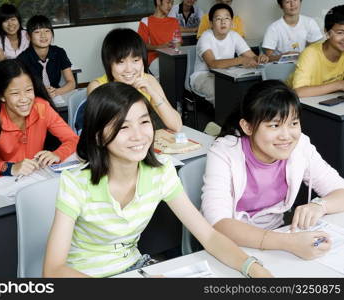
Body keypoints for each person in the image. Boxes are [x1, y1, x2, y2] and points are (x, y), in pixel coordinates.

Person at [43, 81, 272, 278]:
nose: (139, 135)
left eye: (144, 122)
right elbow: (53, 270)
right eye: (123, 126)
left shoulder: (161, 172)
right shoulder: (75, 183)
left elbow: (209, 236)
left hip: (134, 269)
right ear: (99, 136)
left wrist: (252, 267)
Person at [201, 80, 344, 260]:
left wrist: (320, 206)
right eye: (274, 125)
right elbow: (218, 223)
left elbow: (340, 191)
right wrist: (288, 242)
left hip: (276, 241)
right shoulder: (224, 152)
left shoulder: (300, 146)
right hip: (230, 246)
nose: (286, 136)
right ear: (248, 127)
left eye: (293, 123)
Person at [0, 59, 79, 177]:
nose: (24, 99)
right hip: (0, 181)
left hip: (33, 177)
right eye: (15, 93)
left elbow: (73, 140)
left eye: (28, 90)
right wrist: (9, 168)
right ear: (1, 96)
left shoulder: (42, 108)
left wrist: (58, 154)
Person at [87, 28, 182, 132]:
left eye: (135, 60)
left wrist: (152, 92)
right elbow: (101, 132)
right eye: (120, 62)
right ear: (108, 63)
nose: (129, 69)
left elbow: (176, 125)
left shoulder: (148, 80)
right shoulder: (98, 87)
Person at [190, 3, 268, 105]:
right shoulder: (205, 37)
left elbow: (251, 56)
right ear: (211, 23)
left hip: (227, 75)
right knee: (222, 92)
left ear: (231, 22)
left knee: (249, 91)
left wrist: (260, 58)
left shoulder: (234, 36)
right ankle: (224, 119)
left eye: (227, 18)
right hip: (204, 76)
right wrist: (240, 60)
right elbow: (212, 64)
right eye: (218, 19)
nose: (223, 22)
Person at [17, 15, 76, 104]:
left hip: (56, 96)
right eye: (37, 32)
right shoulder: (22, 59)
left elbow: (72, 83)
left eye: (47, 31)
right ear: (28, 36)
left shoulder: (59, 52)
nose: (43, 35)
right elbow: (21, 88)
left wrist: (56, 92)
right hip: (34, 100)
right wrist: (42, 93)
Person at [288, 5, 344, 98]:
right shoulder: (310, 54)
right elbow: (298, 92)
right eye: (340, 33)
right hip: (295, 104)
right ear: (327, 32)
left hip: (327, 101)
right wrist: (339, 85)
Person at [137, 0, 181, 78]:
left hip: (173, 58)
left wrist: (176, 45)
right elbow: (141, 45)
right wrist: (161, 47)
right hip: (155, 59)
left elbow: (178, 43)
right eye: (168, 2)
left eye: (172, 3)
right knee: (168, 77)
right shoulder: (145, 21)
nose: (170, 6)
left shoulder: (174, 21)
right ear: (158, 2)